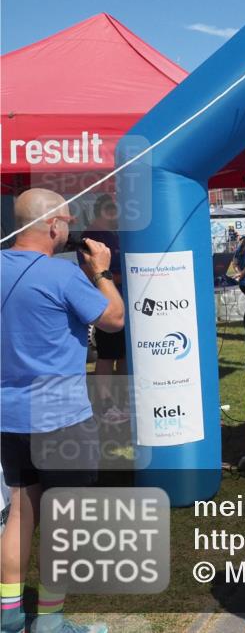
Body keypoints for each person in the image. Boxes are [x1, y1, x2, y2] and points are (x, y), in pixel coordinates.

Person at [1, 189, 124, 633]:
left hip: (9, 416)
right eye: (69, 221)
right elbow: (114, 318)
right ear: (53, 226)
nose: (71, 229)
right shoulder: (61, 274)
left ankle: (9, 615)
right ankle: (50, 622)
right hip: (62, 419)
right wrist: (103, 271)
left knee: (20, 511)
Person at [76, 194, 128, 426]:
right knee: (107, 355)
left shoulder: (112, 235)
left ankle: (123, 400)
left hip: (123, 303)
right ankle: (105, 404)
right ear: (107, 211)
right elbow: (92, 274)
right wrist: (125, 276)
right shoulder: (91, 238)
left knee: (124, 354)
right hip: (106, 305)